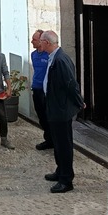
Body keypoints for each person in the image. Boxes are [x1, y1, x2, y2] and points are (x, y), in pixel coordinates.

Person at [40, 30, 84, 194]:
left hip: (61, 109)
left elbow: (70, 83)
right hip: (55, 108)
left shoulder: (60, 59)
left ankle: (66, 180)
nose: (39, 44)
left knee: (64, 145)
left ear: (47, 42)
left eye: (41, 41)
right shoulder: (54, 57)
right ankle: (60, 171)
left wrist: (79, 101)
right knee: (58, 143)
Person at [30, 29, 52, 150]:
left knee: (48, 116)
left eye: (34, 39)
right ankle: (48, 139)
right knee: (41, 116)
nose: (32, 41)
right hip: (36, 89)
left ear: (41, 41)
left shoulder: (48, 55)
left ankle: (52, 140)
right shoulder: (33, 55)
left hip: (46, 91)